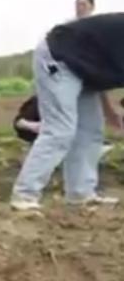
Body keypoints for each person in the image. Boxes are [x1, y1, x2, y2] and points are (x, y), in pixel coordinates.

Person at [10, 13, 124, 210]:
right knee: (60, 129)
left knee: (90, 131)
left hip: (84, 68)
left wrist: (109, 111)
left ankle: (81, 194)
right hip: (58, 57)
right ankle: (24, 195)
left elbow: (104, 70)